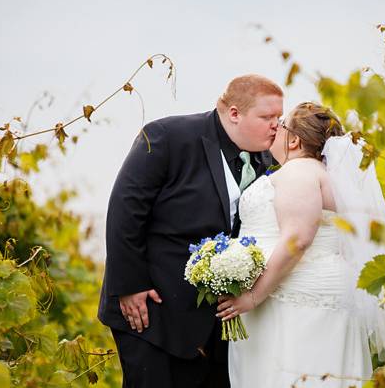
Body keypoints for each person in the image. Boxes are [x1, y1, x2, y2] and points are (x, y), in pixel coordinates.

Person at [98, 74, 284, 387]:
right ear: (234, 114)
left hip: (221, 325)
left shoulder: (270, 160)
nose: (276, 125)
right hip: (152, 312)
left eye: (279, 117)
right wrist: (130, 286)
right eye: (267, 117)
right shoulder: (168, 136)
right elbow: (125, 210)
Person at [217, 102, 385, 388]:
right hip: (304, 293)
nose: (275, 129)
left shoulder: (299, 171)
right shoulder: (322, 176)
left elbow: (297, 239)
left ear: (294, 140)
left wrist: (253, 296)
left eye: (282, 125)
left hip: (292, 299)